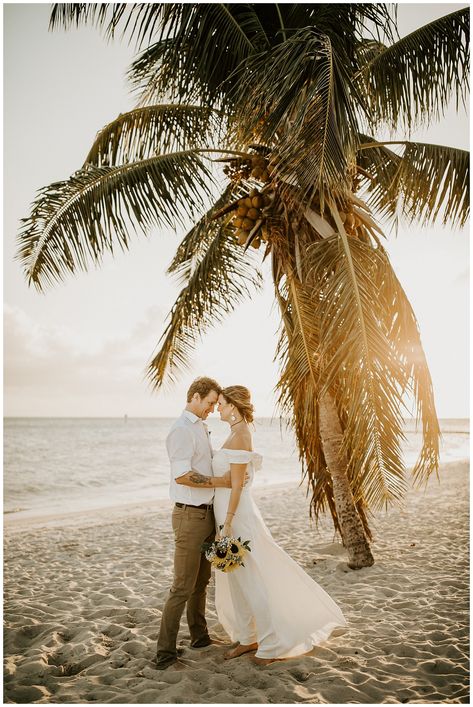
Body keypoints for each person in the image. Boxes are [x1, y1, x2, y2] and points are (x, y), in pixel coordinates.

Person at [213, 385, 348, 665]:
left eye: (222, 404)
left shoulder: (240, 436)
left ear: (234, 407)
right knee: (236, 579)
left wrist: (227, 523)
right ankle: (247, 636)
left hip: (235, 517)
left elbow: (237, 486)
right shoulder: (234, 433)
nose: (218, 408)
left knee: (252, 581)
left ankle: (271, 644)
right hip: (227, 514)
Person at [156, 376, 233, 670]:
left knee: (201, 582)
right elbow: (183, 475)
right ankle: (164, 654)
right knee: (182, 586)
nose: (213, 408)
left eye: (216, 404)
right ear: (196, 397)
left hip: (207, 514)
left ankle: (199, 637)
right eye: (211, 402)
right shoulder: (180, 431)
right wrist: (221, 481)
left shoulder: (200, 426)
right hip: (189, 515)